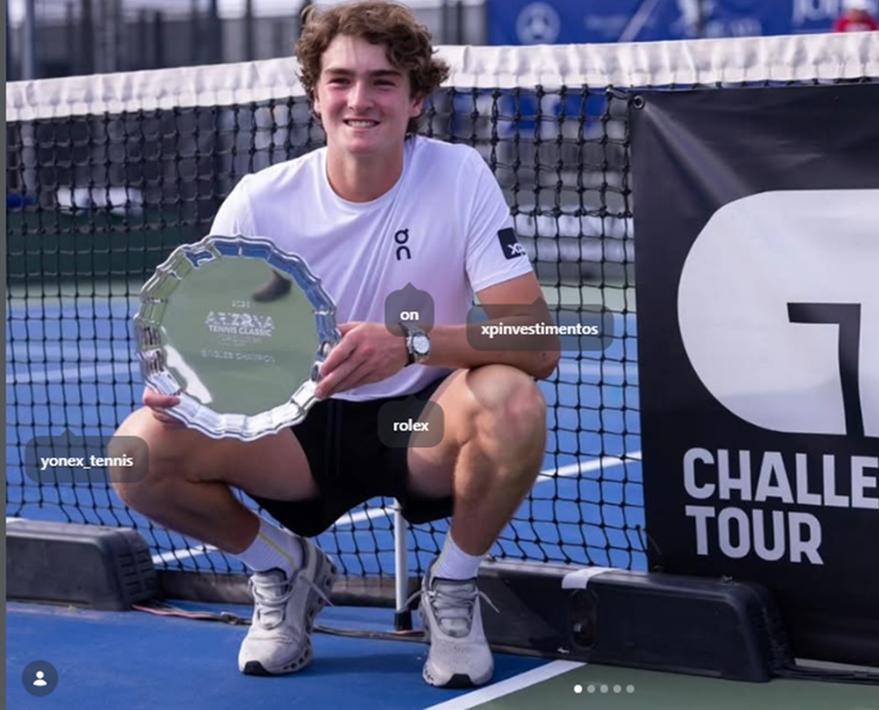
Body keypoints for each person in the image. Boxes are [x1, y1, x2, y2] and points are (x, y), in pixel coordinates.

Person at [111, 0, 558, 688]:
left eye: (383, 82)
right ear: (315, 96)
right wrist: (187, 390)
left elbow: (538, 341)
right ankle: (284, 568)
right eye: (341, 80)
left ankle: (453, 586)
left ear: (415, 101)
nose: (360, 99)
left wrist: (408, 344)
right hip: (293, 433)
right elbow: (208, 343)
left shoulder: (459, 174)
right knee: (138, 451)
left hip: (415, 423)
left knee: (513, 401)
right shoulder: (260, 201)